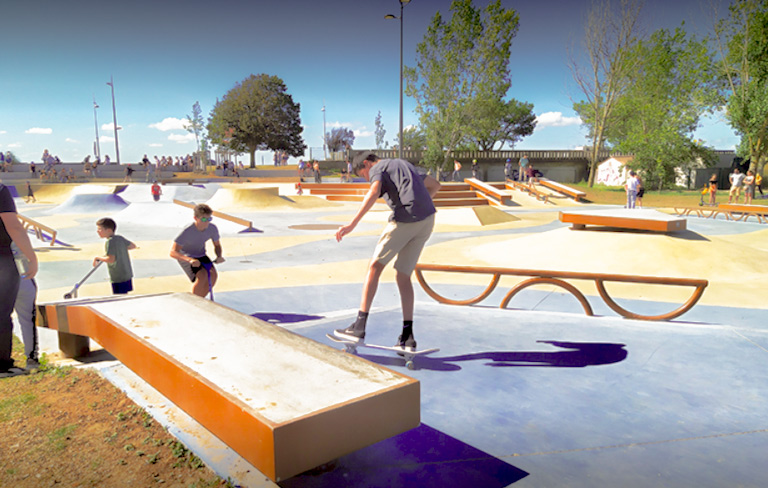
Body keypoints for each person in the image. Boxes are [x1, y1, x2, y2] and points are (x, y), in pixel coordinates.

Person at [333, 151, 441, 352]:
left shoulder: (378, 168)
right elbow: (435, 185)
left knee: (374, 266)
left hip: (406, 219)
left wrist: (351, 225)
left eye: (363, 175)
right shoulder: (403, 165)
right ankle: (407, 336)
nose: (367, 179)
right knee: (403, 275)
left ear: (367, 164)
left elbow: (374, 192)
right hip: (427, 221)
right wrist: (420, 205)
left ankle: (359, 327)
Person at [1, 183, 38, 375]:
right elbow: (14, 226)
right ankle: (7, 363)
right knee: (11, 312)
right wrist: (32, 257)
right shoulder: (1, 190)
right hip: (7, 263)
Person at [170, 204, 225, 298]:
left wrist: (219, 256)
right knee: (202, 276)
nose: (206, 222)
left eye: (209, 219)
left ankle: (200, 300)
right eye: (203, 219)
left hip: (201, 254)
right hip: (187, 256)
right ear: (195, 218)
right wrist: (190, 260)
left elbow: (217, 245)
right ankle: (195, 302)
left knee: (213, 276)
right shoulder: (187, 231)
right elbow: (173, 252)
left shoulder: (212, 228)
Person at [12, 242, 39, 371]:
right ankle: (32, 358)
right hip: (22, 276)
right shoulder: (15, 229)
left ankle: (3, 362)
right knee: (28, 320)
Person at [93, 218, 136, 295]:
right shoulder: (119, 238)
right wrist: (120, 249)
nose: (98, 231)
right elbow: (132, 246)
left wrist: (98, 258)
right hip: (126, 274)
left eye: (100, 229)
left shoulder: (110, 242)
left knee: (119, 297)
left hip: (118, 277)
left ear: (109, 230)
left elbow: (111, 259)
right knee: (124, 295)